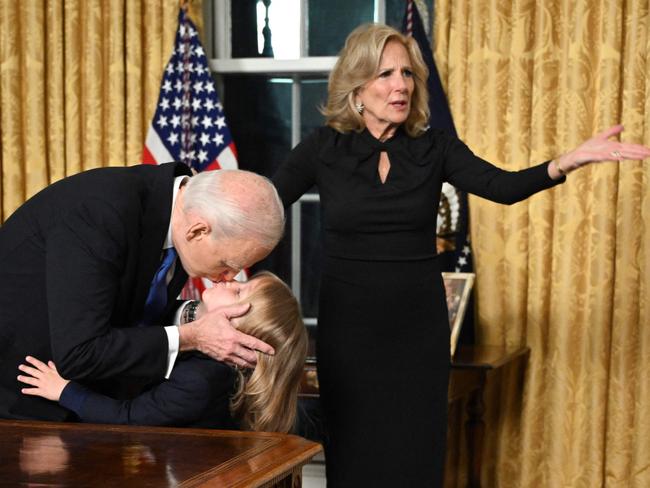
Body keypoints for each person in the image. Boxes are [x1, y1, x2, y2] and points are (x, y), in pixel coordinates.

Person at [271, 23, 650, 487]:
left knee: (416, 456)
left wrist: (565, 162)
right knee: (353, 458)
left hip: (419, 330)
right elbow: (266, 204)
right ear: (357, 86)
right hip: (349, 330)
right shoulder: (322, 148)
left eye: (407, 74)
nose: (400, 85)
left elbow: (502, 187)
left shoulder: (434, 148)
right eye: (386, 74)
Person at [0, 163, 284, 421]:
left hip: (78, 401)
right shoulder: (101, 211)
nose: (229, 278)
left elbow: (129, 307)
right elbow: (80, 353)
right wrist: (192, 337)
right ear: (198, 231)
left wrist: (196, 315)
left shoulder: (181, 221)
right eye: (227, 264)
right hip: (20, 399)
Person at [17, 271, 308, 433]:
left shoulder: (202, 380)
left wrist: (64, 391)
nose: (231, 279)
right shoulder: (207, 363)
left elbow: (129, 418)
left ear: (237, 329)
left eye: (239, 292)